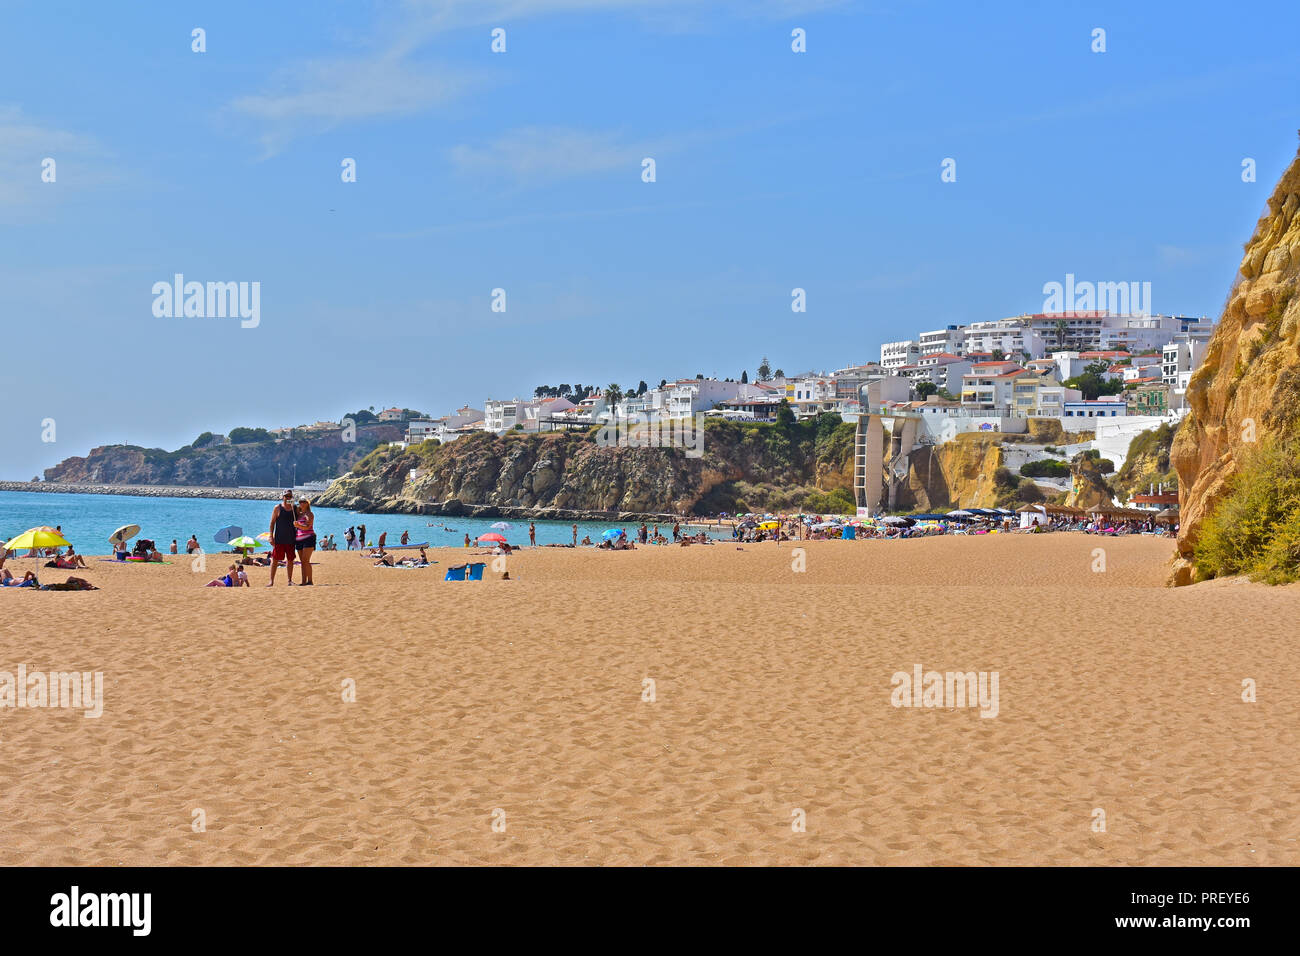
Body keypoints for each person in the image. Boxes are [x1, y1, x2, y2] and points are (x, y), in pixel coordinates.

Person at [267, 490, 298, 587]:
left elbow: (303, 516)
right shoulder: (278, 508)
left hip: (291, 539)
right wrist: (271, 536)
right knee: (275, 559)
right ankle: (271, 581)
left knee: (290, 560)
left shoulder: (295, 508)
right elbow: (272, 523)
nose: (288, 498)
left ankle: (289, 580)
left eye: (290, 496)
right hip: (279, 539)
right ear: (283, 497)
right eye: (286, 496)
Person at [295, 497, 317, 586]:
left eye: (304, 502)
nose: (302, 503)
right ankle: (304, 581)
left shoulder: (310, 514)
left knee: (305, 560)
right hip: (299, 540)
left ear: (307, 503)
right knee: (302, 561)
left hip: (308, 539)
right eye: (300, 502)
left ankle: (310, 580)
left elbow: (307, 526)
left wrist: (298, 525)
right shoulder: (299, 514)